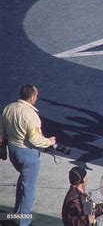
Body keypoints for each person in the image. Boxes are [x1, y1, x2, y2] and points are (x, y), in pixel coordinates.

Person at [0, 84, 56, 226]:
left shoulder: (9, 108)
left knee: (23, 184)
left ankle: (16, 214)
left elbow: (2, 132)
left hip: (13, 151)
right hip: (27, 154)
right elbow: (35, 139)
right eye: (36, 96)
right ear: (31, 97)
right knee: (28, 191)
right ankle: (23, 222)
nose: (37, 98)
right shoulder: (31, 115)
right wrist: (48, 142)